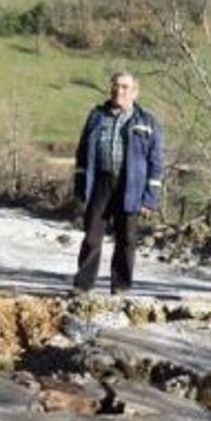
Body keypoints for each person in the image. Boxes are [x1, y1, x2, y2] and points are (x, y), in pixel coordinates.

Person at [70, 71, 163, 296]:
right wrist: (81, 188)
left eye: (124, 87)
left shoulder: (147, 121)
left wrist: (149, 198)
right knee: (92, 236)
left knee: (127, 239)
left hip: (131, 186)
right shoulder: (96, 117)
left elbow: (156, 161)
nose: (118, 91)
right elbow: (82, 155)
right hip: (100, 183)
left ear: (134, 92)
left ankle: (121, 287)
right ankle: (82, 286)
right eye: (115, 86)